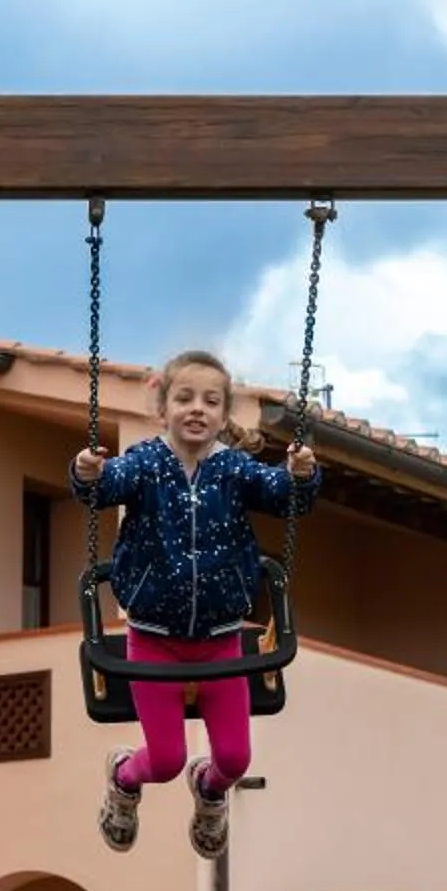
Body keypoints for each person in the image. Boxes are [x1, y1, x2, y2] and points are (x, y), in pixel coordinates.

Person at [72, 348, 320, 858]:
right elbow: (106, 486)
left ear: (224, 415)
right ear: (163, 408)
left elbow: (283, 495)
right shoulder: (145, 463)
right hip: (154, 638)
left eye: (210, 401)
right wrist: (88, 472)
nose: (197, 409)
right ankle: (124, 779)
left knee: (234, 758)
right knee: (163, 759)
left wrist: (300, 474)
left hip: (221, 638)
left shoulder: (233, 469)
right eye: (184, 398)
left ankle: (208, 791)